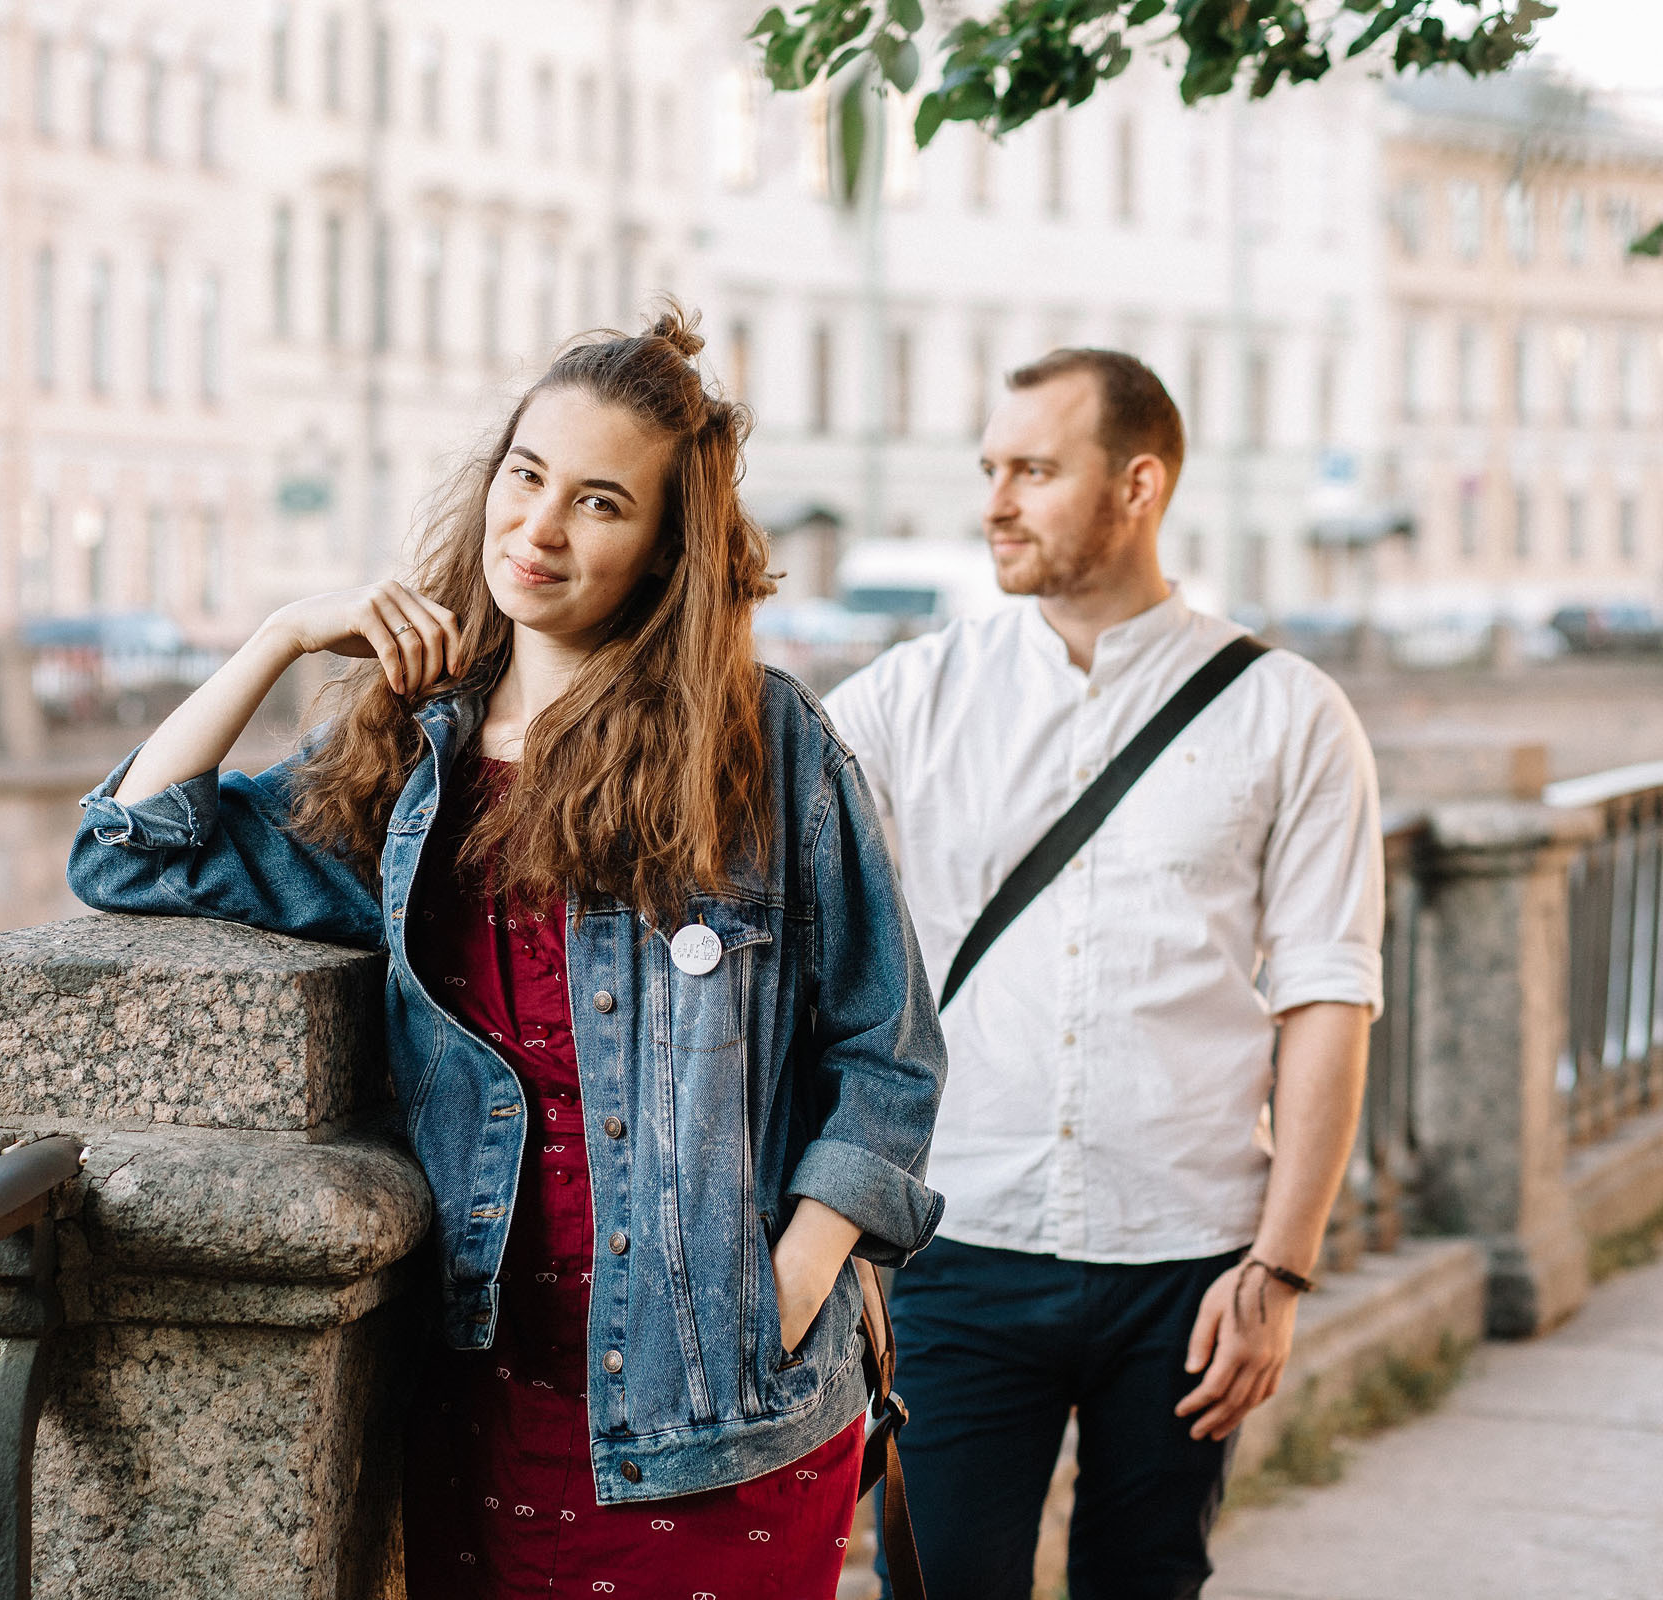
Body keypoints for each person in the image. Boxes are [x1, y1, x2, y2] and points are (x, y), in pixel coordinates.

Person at [69, 309, 947, 1598]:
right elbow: (128, 851)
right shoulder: (407, 760)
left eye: (599, 502)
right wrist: (279, 636)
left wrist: (793, 1283)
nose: (538, 528)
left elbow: (889, 1046)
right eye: (525, 476)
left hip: (717, 1397)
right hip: (484, 1387)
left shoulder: (759, 746)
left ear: (663, 549)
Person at [825, 348, 1382, 1600]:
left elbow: (1328, 1000)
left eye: (1035, 469)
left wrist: (1280, 1271)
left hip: (1188, 1259)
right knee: (948, 1582)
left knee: (1148, 1578)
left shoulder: (1290, 714)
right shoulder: (912, 698)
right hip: (957, 1241)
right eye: (990, 469)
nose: (996, 501)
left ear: (1140, 484)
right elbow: (738, 831)